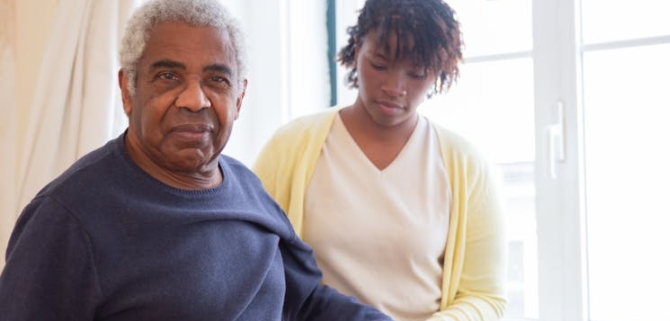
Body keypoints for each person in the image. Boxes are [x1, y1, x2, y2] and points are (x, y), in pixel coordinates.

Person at [0, 0, 392, 320]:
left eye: (217, 80)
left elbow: (305, 304)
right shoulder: (68, 218)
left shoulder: (247, 188)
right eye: (168, 76)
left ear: (238, 99)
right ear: (128, 90)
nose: (195, 99)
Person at [252, 0, 507, 320]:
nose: (394, 88)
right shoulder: (289, 147)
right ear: (357, 48)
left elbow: (485, 297)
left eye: (416, 73)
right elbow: (254, 266)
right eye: (380, 64)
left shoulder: (466, 166)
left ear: (439, 71)